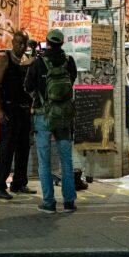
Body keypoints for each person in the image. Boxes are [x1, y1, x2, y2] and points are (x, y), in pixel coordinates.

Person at [24, 29, 78, 213]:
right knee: (66, 161)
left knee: (44, 161)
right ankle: (69, 202)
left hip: (43, 115)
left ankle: (49, 202)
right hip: (63, 116)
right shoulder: (69, 61)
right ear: (62, 44)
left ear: (47, 42)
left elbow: (28, 86)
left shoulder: (38, 62)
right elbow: (72, 80)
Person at [0, 29, 34, 200]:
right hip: (9, 110)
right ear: (12, 43)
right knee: (6, 149)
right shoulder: (4, 60)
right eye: (17, 43)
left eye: (23, 43)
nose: (20, 46)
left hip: (24, 111)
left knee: (23, 148)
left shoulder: (26, 62)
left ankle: (19, 183)